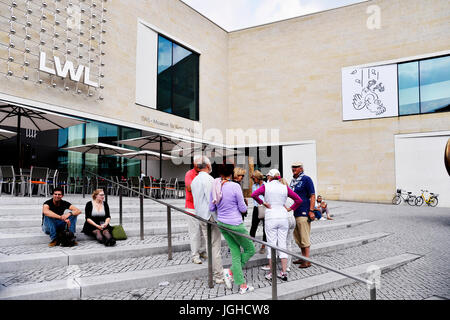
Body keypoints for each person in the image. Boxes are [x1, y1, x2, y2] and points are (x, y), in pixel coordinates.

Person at [209, 163, 255, 294]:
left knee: (235, 251)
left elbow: (212, 207)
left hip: (222, 223)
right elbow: (242, 208)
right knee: (250, 249)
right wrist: (244, 206)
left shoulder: (215, 184)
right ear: (231, 173)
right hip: (235, 224)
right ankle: (230, 272)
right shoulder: (235, 186)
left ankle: (242, 285)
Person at [251, 169, 302, 281]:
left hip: (271, 216)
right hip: (283, 216)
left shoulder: (266, 186)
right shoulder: (284, 187)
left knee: (271, 245)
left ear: (270, 177)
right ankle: (283, 272)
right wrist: (290, 209)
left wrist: (263, 203)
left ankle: (271, 272)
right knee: (282, 244)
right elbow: (298, 200)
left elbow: (254, 195)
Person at [191, 156, 225, 285]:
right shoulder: (209, 179)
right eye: (210, 164)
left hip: (200, 215)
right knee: (215, 246)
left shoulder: (195, 180)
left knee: (210, 245)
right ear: (207, 166)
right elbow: (214, 200)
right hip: (210, 216)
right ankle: (218, 275)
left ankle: (215, 273)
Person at [289, 162, 316, 268]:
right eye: (292, 167)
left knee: (304, 236)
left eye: (296, 167)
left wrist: (311, 210)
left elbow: (312, 196)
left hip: (304, 212)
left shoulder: (306, 179)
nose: (293, 169)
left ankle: (307, 260)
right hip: (294, 212)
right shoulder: (293, 181)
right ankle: (303, 257)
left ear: (301, 169)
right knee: (298, 237)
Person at [185, 155, 207, 264]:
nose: (200, 165)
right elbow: (189, 187)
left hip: (202, 207)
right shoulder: (190, 173)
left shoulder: (205, 173)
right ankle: (195, 255)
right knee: (194, 233)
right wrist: (201, 184)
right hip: (192, 207)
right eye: (198, 163)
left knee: (203, 232)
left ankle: (202, 251)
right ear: (194, 164)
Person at [249, 170, 267, 254]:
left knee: (265, 228)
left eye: (254, 178)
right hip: (256, 208)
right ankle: (250, 245)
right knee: (253, 226)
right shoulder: (254, 186)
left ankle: (263, 246)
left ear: (258, 178)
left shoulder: (266, 185)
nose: (253, 180)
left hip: (264, 208)